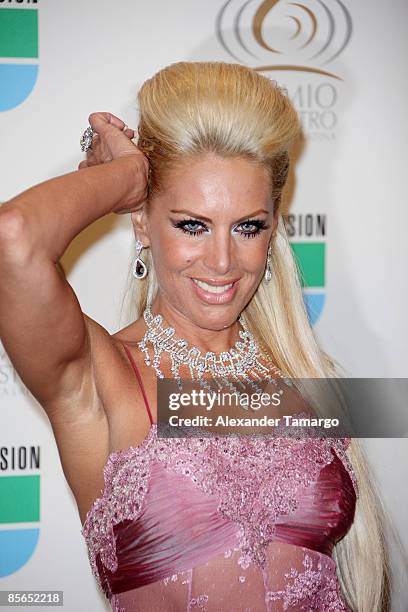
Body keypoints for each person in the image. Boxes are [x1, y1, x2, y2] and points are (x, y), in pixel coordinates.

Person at [0, 62, 390, 611]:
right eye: (193, 225)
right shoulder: (102, 375)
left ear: (274, 226)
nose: (224, 261)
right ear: (142, 222)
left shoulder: (305, 381)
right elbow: (12, 240)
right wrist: (129, 177)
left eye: (248, 227)